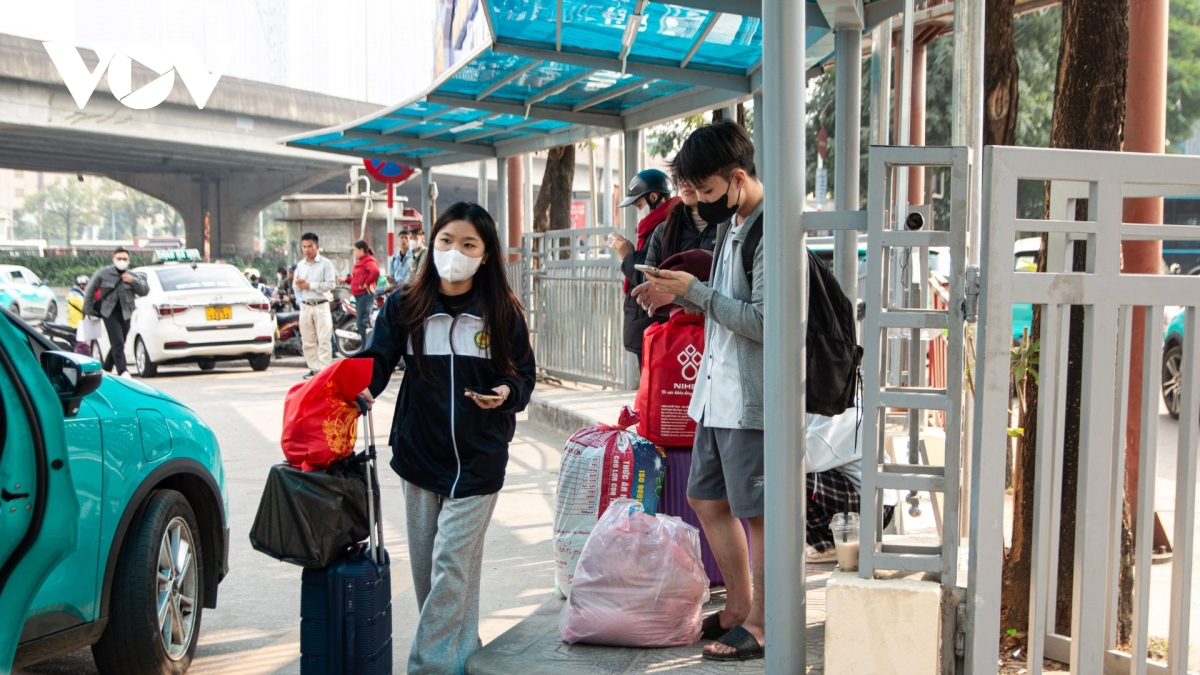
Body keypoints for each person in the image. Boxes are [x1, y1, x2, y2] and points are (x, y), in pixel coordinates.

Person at [358, 201, 536, 674]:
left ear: (485, 254)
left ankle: (428, 667)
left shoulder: (501, 312)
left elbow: (524, 378)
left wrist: (505, 393)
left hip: (480, 460)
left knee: (451, 566)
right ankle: (463, 657)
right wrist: (361, 389)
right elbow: (376, 362)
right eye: (446, 241)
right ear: (431, 244)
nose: (454, 251)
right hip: (420, 456)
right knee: (432, 575)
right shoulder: (404, 306)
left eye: (468, 244)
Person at [633, 121, 767, 661]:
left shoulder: (770, 230)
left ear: (736, 179)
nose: (699, 204)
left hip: (751, 401)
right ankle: (737, 607)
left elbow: (765, 321)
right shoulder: (730, 224)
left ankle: (762, 624)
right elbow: (723, 304)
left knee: (757, 513)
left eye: (705, 192)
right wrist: (680, 298)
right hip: (717, 394)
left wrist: (699, 293)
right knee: (706, 498)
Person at [607, 168, 678, 366]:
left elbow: (650, 275)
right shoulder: (654, 225)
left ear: (654, 197)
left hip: (654, 322)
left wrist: (627, 255)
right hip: (648, 324)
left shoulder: (666, 225)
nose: (639, 213)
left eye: (639, 205)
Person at [83, 247, 149, 378]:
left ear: (129, 260)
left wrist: (132, 281)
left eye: (125, 259)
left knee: (120, 341)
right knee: (117, 341)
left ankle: (107, 367)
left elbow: (145, 290)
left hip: (126, 312)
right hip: (109, 313)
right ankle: (122, 370)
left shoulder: (132, 275)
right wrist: (89, 310)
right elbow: (90, 291)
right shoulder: (103, 273)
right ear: (113, 259)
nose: (122, 261)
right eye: (119, 259)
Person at [293, 232, 337, 379]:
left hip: (321, 305)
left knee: (324, 338)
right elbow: (296, 286)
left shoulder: (326, 263)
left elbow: (331, 284)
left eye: (310, 246)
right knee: (308, 340)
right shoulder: (300, 265)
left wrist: (310, 285)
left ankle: (324, 370)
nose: (307, 250)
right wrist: (299, 285)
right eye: (304, 247)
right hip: (305, 305)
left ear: (317, 246)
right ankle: (313, 368)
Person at [347, 240, 381, 342]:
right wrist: (345, 280)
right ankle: (365, 346)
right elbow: (357, 278)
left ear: (361, 250)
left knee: (362, 323)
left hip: (365, 295)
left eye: (355, 250)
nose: (354, 253)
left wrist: (367, 283)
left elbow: (375, 271)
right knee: (362, 322)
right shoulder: (361, 262)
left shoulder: (368, 260)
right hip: (358, 295)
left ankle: (367, 347)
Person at [386, 224, 416, 290]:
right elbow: (392, 277)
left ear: (410, 240)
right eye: (402, 238)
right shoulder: (394, 257)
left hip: (410, 290)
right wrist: (390, 280)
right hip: (397, 290)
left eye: (406, 238)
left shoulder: (414, 256)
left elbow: (414, 278)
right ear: (398, 240)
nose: (404, 240)